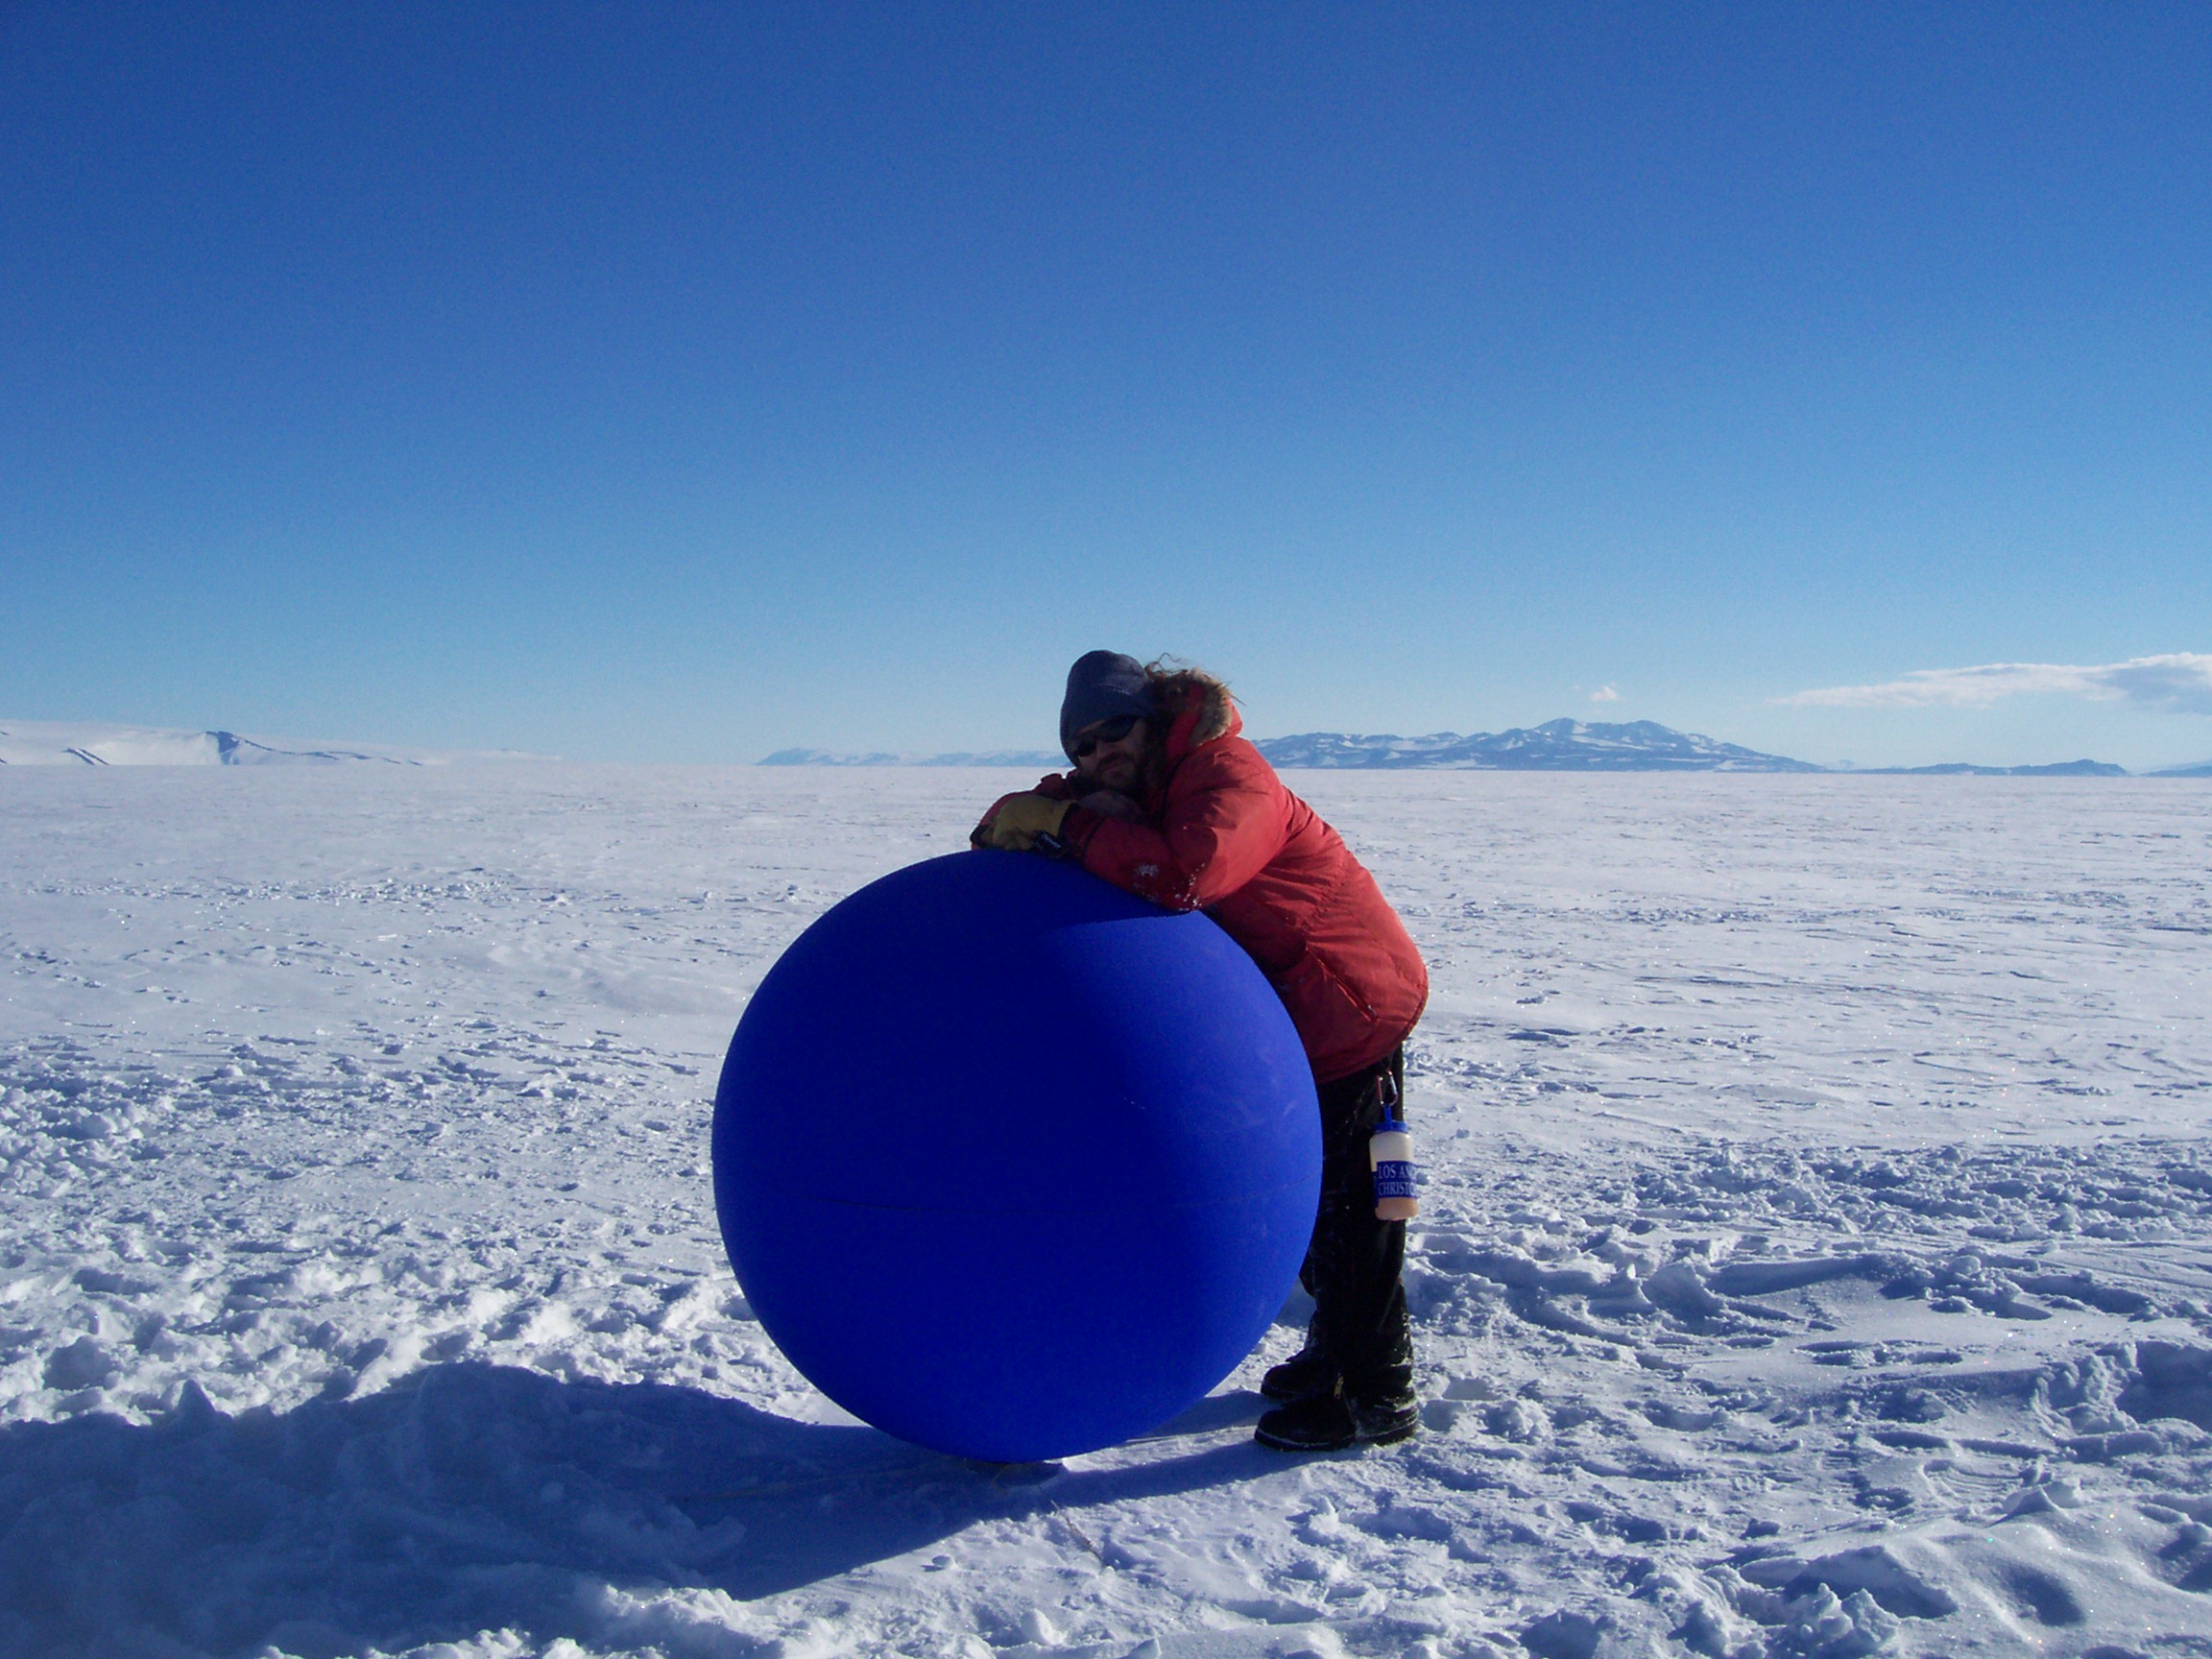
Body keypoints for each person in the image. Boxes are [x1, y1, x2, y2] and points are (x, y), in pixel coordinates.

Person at [972, 650, 1430, 1451]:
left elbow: (1188, 873)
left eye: (1114, 731)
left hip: (1348, 1010)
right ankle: (1334, 1353)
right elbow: (1019, 823)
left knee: (1354, 1209)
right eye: (1082, 746)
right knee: (1304, 1209)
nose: (1100, 754)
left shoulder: (1228, 773)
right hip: (1278, 1025)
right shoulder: (1139, 785)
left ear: (1152, 722)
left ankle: (1379, 1394)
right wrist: (1028, 814)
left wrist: (1075, 827)